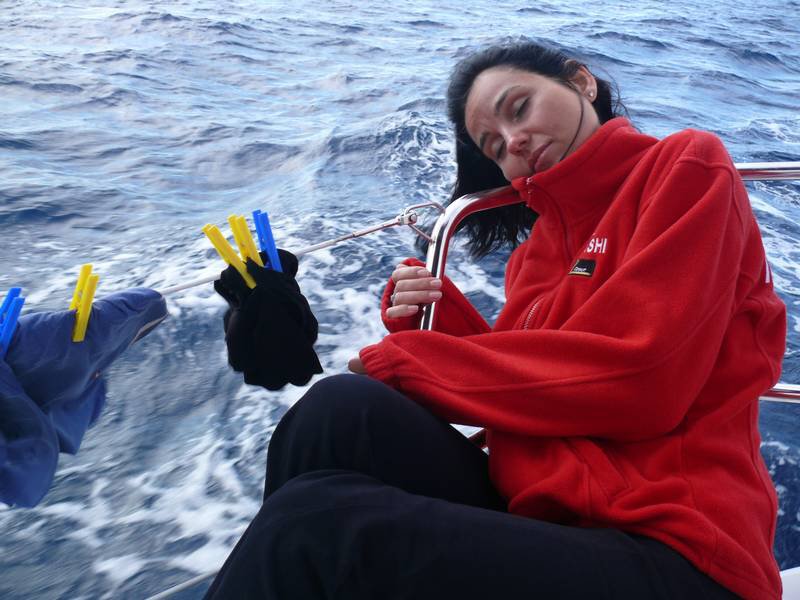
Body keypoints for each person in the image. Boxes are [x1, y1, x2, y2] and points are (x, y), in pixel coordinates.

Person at [204, 40, 786, 599]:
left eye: (519, 108)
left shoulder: (684, 166)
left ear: (581, 82)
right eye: (494, 145)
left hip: (679, 549)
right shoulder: (535, 254)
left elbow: (644, 380)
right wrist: (435, 319)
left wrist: (413, 363)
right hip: (550, 508)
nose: (515, 141)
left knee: (312, 532)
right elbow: (540, 385)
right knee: (335, 411)